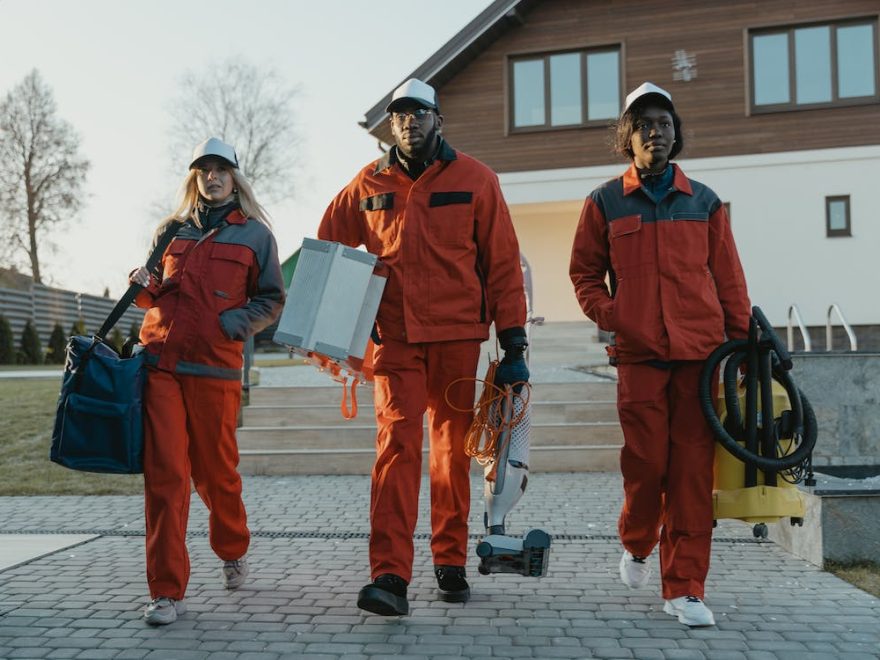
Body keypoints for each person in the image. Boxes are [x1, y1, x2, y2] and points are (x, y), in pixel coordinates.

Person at [318, 78, 528, 616]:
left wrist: (515, 344)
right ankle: (389, 575)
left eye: (419, 113)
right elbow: (328, 255)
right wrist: (325, 333)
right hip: (396, 341)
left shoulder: (476, 179)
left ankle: (450, 560)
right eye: (400, 115)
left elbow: (502, 264)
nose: (409, 122)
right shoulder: (366, 184)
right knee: (395, 451)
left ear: (439, 119)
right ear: (391, 124)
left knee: (452, 453)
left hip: (458, 338)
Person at [569, 82, 751, 626]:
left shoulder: (704, 202)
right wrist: (616, 316)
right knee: (646, 467)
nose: (657, 132)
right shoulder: (604, 201)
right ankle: (637, 540)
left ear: (677, 135)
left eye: (665, 124)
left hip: (701, 358)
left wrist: (740, 347)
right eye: (645, 124)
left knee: (693, 474)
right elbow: (583, 276)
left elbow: (730, 280)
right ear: (628, 136)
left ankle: (686, 588)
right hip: (640, 357)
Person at [129, 137, 285, 626]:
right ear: (193, 177)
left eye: (221, 169)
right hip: (162, 367)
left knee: (216, 474)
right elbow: (154, 293)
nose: (212, 177)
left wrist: (230, 325)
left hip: (214, 368)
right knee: (166, 477)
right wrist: (141, 283)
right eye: (204, 170)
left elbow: (271, 299)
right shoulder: (169, 231)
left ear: (234, 177)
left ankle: (232, 546)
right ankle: (167, 592)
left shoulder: (256, 235)